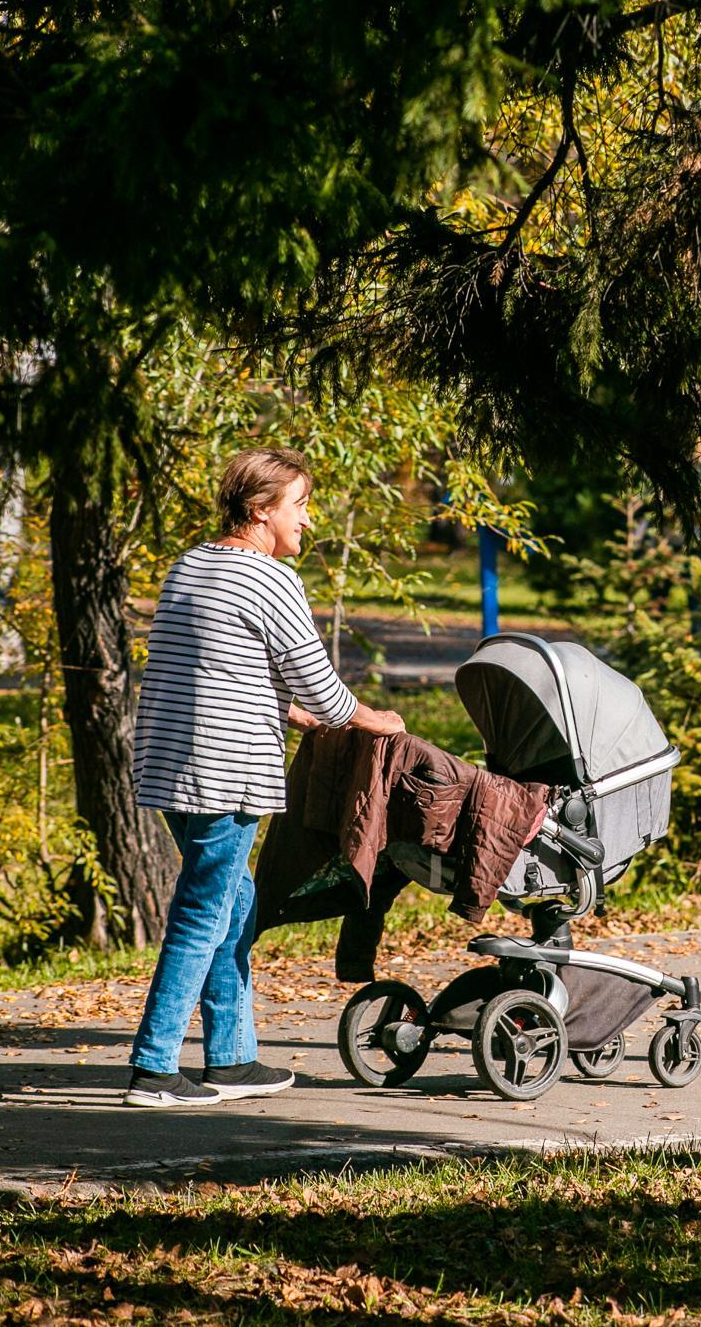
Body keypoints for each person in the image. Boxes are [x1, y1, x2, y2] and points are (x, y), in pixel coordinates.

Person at [124, 446, 405, 1107]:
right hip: (227, 774)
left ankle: (231, 1057)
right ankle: (154, 1067)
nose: (309, 520)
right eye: (299, 505)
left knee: (236, 903)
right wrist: (373, 718)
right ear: (260, 511)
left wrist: (290, 712)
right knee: (202, 913)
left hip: (171, 765)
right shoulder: (269, 580)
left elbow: (212, 673)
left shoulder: (190, 566)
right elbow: (327, 687)